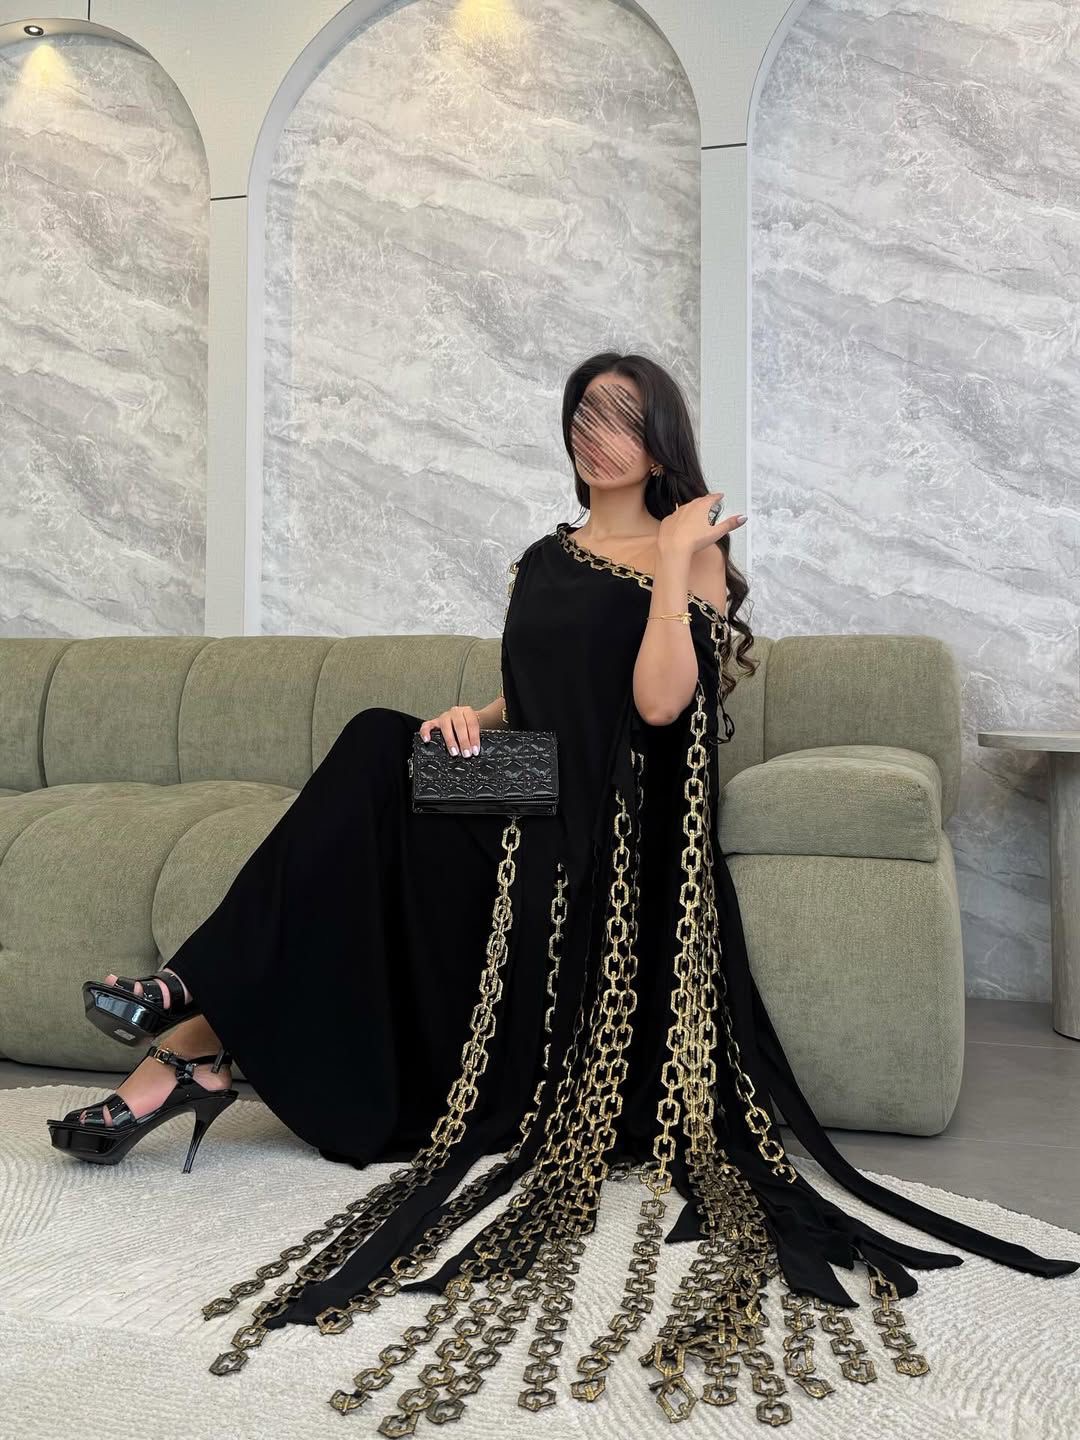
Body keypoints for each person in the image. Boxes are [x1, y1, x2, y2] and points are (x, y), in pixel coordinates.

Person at [47, 353, 1078, 1427]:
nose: (597, 431)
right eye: (585, 412)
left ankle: (191, 1031)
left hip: (611, 819)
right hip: (529, 776)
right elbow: (536, 694)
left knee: (369, 779)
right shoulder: (545, 554)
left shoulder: (693, 551)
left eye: (622, 416)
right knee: (378, 746)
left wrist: (673, 559)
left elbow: (659, 704)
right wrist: (475, 720)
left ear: (660, 438)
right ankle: (196, 1025)